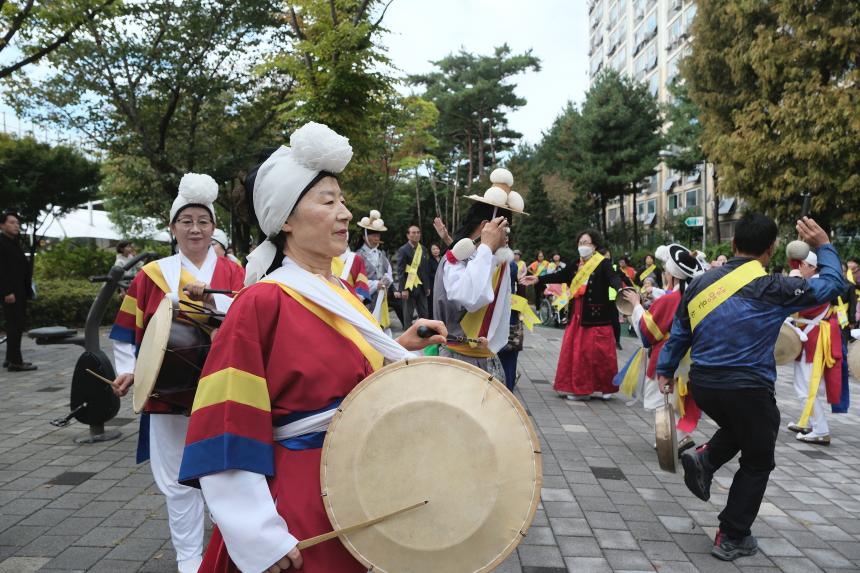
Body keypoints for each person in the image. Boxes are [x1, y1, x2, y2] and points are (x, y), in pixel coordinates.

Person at [177, 121, 446, 573]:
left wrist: (400, 345)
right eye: (328, 201)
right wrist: (258, 534)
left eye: (342, 200)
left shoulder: (338, 288)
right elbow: (225, 424)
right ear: (285, 219)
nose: (344, 213)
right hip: (297, 509)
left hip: (360, 486)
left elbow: (351, 375)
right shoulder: (261, 302)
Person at [656, 214, 845, 562]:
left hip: (704, 384)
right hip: (747, 388)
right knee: (758, 460)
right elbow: (833, 285)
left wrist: (665, 369)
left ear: (732, 245)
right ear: (771, 250)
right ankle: (732, 534)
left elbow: (680, 329)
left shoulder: (701, 282)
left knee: (740, 427)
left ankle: (706, 457)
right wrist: (824, 246)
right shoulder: (774, 287)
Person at [109, 173, 245, 573]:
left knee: (225, 474)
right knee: (175, 481)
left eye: (203, 221)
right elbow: (126, 330)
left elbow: (250, 323)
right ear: (172, 228)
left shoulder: (235, 274)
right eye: (186, 220)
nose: (195, 228)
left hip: (222, 386)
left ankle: (228, 552)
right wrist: (129, 369)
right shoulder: (152, 274)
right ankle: (189, 560)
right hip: (166, 391)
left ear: (213, 227)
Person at [433, 167, 522, 380]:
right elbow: (470, 298)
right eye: (504, 229)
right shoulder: (456, 259)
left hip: (483, 357)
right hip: (457, 359)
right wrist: (486, 247)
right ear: (486, 226)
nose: (507, 237)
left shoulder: (492, 258)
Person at [620, 244, 709, 452]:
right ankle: (673, 437)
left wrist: (636, 305)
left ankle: (674, 439)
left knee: (663, 399)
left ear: (673, 275)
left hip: (668, 354)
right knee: (678, 398)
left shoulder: (671, 299)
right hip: (692, 357)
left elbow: (648, 332)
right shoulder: (696, 297)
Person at [522, 229, 624, 400]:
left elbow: (614, 278)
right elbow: (560, 275)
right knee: (579, 353)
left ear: (595, 245)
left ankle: (605, 387)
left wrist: (621, 289)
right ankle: (580, 389)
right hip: (577, 314)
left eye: (587, 243)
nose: (583, 246)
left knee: (601, 354)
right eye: (580, 243)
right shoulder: (576, 264)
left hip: (597, 316)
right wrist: (539, 279)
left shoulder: (603, 263)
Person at [784, 251, 847, 445]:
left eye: (801, 264)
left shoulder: (815, 286)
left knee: (806, 387)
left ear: (812, 267)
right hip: (811, 338)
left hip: (814, 341)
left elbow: (795, 307)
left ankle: (820, 429)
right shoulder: (815, 283)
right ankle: (808, 422)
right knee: (803, 385)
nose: (797, 267)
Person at [0, 210, 36, 372]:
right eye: (12, 222)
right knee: (15, 326)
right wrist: (7, 292)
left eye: (17, 223)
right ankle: (16, 362)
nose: (16, 225)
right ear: (2, 225)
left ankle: (10, 358)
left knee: (14, 326)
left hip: (19, 291)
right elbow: (2, 270)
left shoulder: (12, 242)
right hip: (11, 292)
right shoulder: (2, 243)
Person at [355, 210, 394, 334]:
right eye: (373, 235)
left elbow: (389, 272)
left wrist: (387, 280)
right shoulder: (356, 256)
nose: (376, 238)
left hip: (381, 298)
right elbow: (355, 279)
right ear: (364, 236)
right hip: (365, 300)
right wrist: (374, 285)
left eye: (378, 235)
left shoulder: (381, 254)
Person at [396, 224, 431, 328]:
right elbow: (400, 271)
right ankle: (407, 337)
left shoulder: (423, 249)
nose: (416, 234)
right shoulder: (403, 250)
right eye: (413, 232)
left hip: (422, 286)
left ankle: (425, 335)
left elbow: (425, 269)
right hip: (409, 286)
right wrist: (403, 289)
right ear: (408, 235)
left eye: (418, 232)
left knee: (424, 313)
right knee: (408, 315)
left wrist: (427, 286)